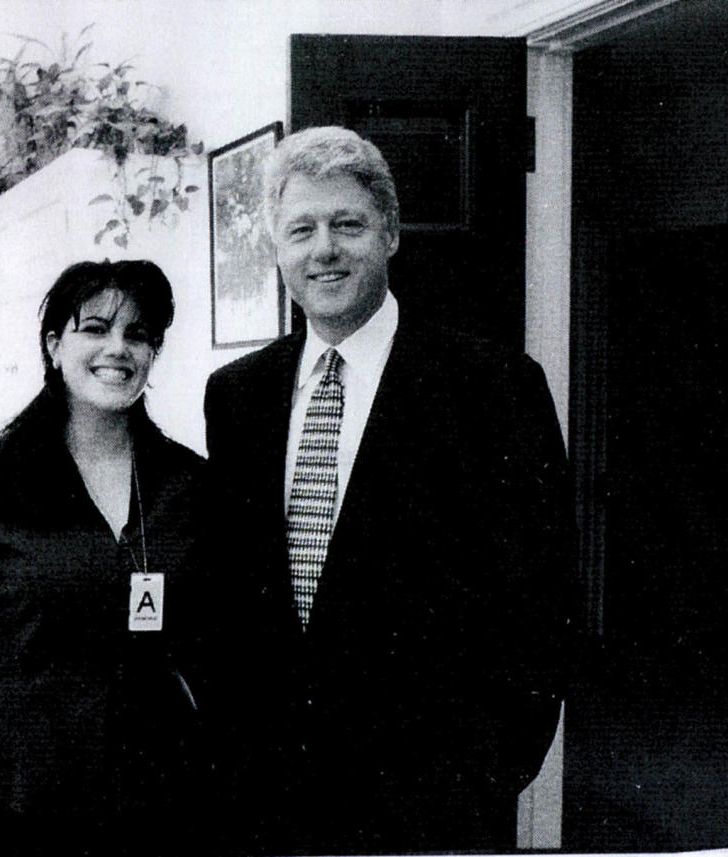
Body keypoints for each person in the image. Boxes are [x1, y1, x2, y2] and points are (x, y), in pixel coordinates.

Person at [203, 126, 575, 854]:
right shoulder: (237, 396)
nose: (324, 249)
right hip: (272, 803)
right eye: (301, 229)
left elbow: (544, 601)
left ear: (391, 233)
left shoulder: (494, 388)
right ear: (276, 249)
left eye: (348, 223)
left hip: (434, 807)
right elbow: (234, 600)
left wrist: (487, 772)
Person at [0, 260, 211, 857]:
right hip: (18, 793)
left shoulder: (188, 482)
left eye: (139, 334)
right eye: (95, 329)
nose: (117, 348)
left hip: (157, 792)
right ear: (54, 345)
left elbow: (210, 646)